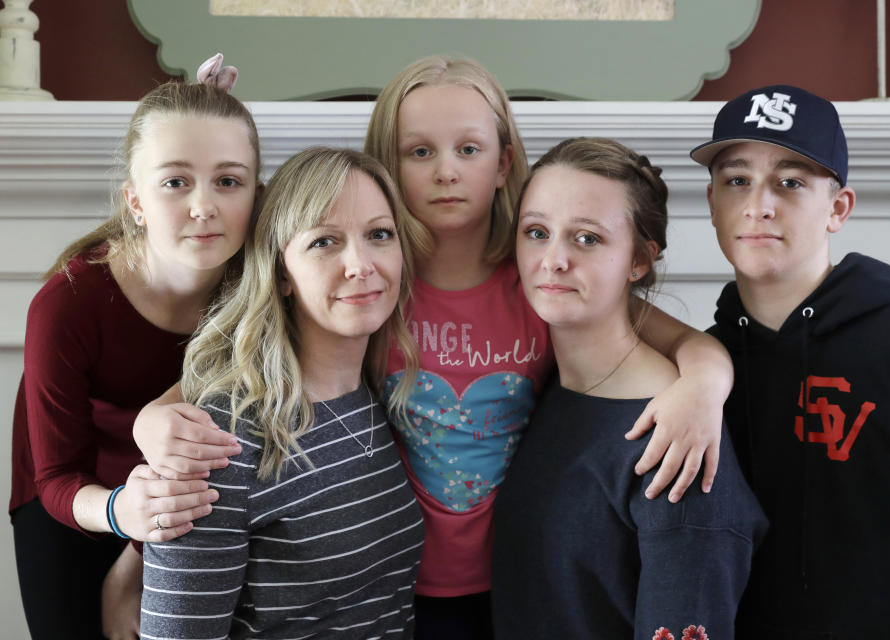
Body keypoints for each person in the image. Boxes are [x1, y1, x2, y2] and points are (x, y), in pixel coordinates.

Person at [135, 54, 734, 639]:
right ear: (388, 169)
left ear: (504, 163)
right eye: (420, 152)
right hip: (401, 579)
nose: (446, 171)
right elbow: (239, 377)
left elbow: (671, 337)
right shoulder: (375, 286)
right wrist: (153, 422)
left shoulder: (537, 278)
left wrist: (706, 383)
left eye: (468, 149)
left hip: (513, 574)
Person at [690, 85, 890, 638]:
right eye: (737, 179)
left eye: (790, 182)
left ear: (838, 208)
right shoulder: (697, 372)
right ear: (712, 202)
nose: (758, 203)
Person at [9, 76, 261, 640]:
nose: (204, 206)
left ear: (257, 195)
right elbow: (55, 479)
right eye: (175, 181)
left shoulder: (262, 291)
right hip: (76, 496)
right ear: (135, 202)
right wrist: (124, 515)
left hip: (188, 490)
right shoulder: (66, 306)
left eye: (228, 181)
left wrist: (134, 563)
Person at [139, 147, 425, 639]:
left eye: (379, 235)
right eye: (324, 242)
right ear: (282, 273)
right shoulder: (220, 441)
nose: (360, 264)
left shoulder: (379, 397)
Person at [491, 137, 766, 640]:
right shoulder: (536, 383)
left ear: (639, 260)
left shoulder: (677, 440)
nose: (553, 260)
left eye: (588, 239)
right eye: (536, 232)